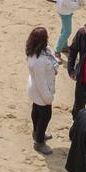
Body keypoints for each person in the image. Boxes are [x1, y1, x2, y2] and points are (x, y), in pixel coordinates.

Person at [26, 26, 59, 155]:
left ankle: (36, 132)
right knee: (45, 116)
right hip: (41, 92)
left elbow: (51, 60)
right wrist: (48, 98)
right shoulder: (38, 61)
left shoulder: (36, 51)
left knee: (36, 111)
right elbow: (41, 82)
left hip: (35, 89)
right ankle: (39, 142)